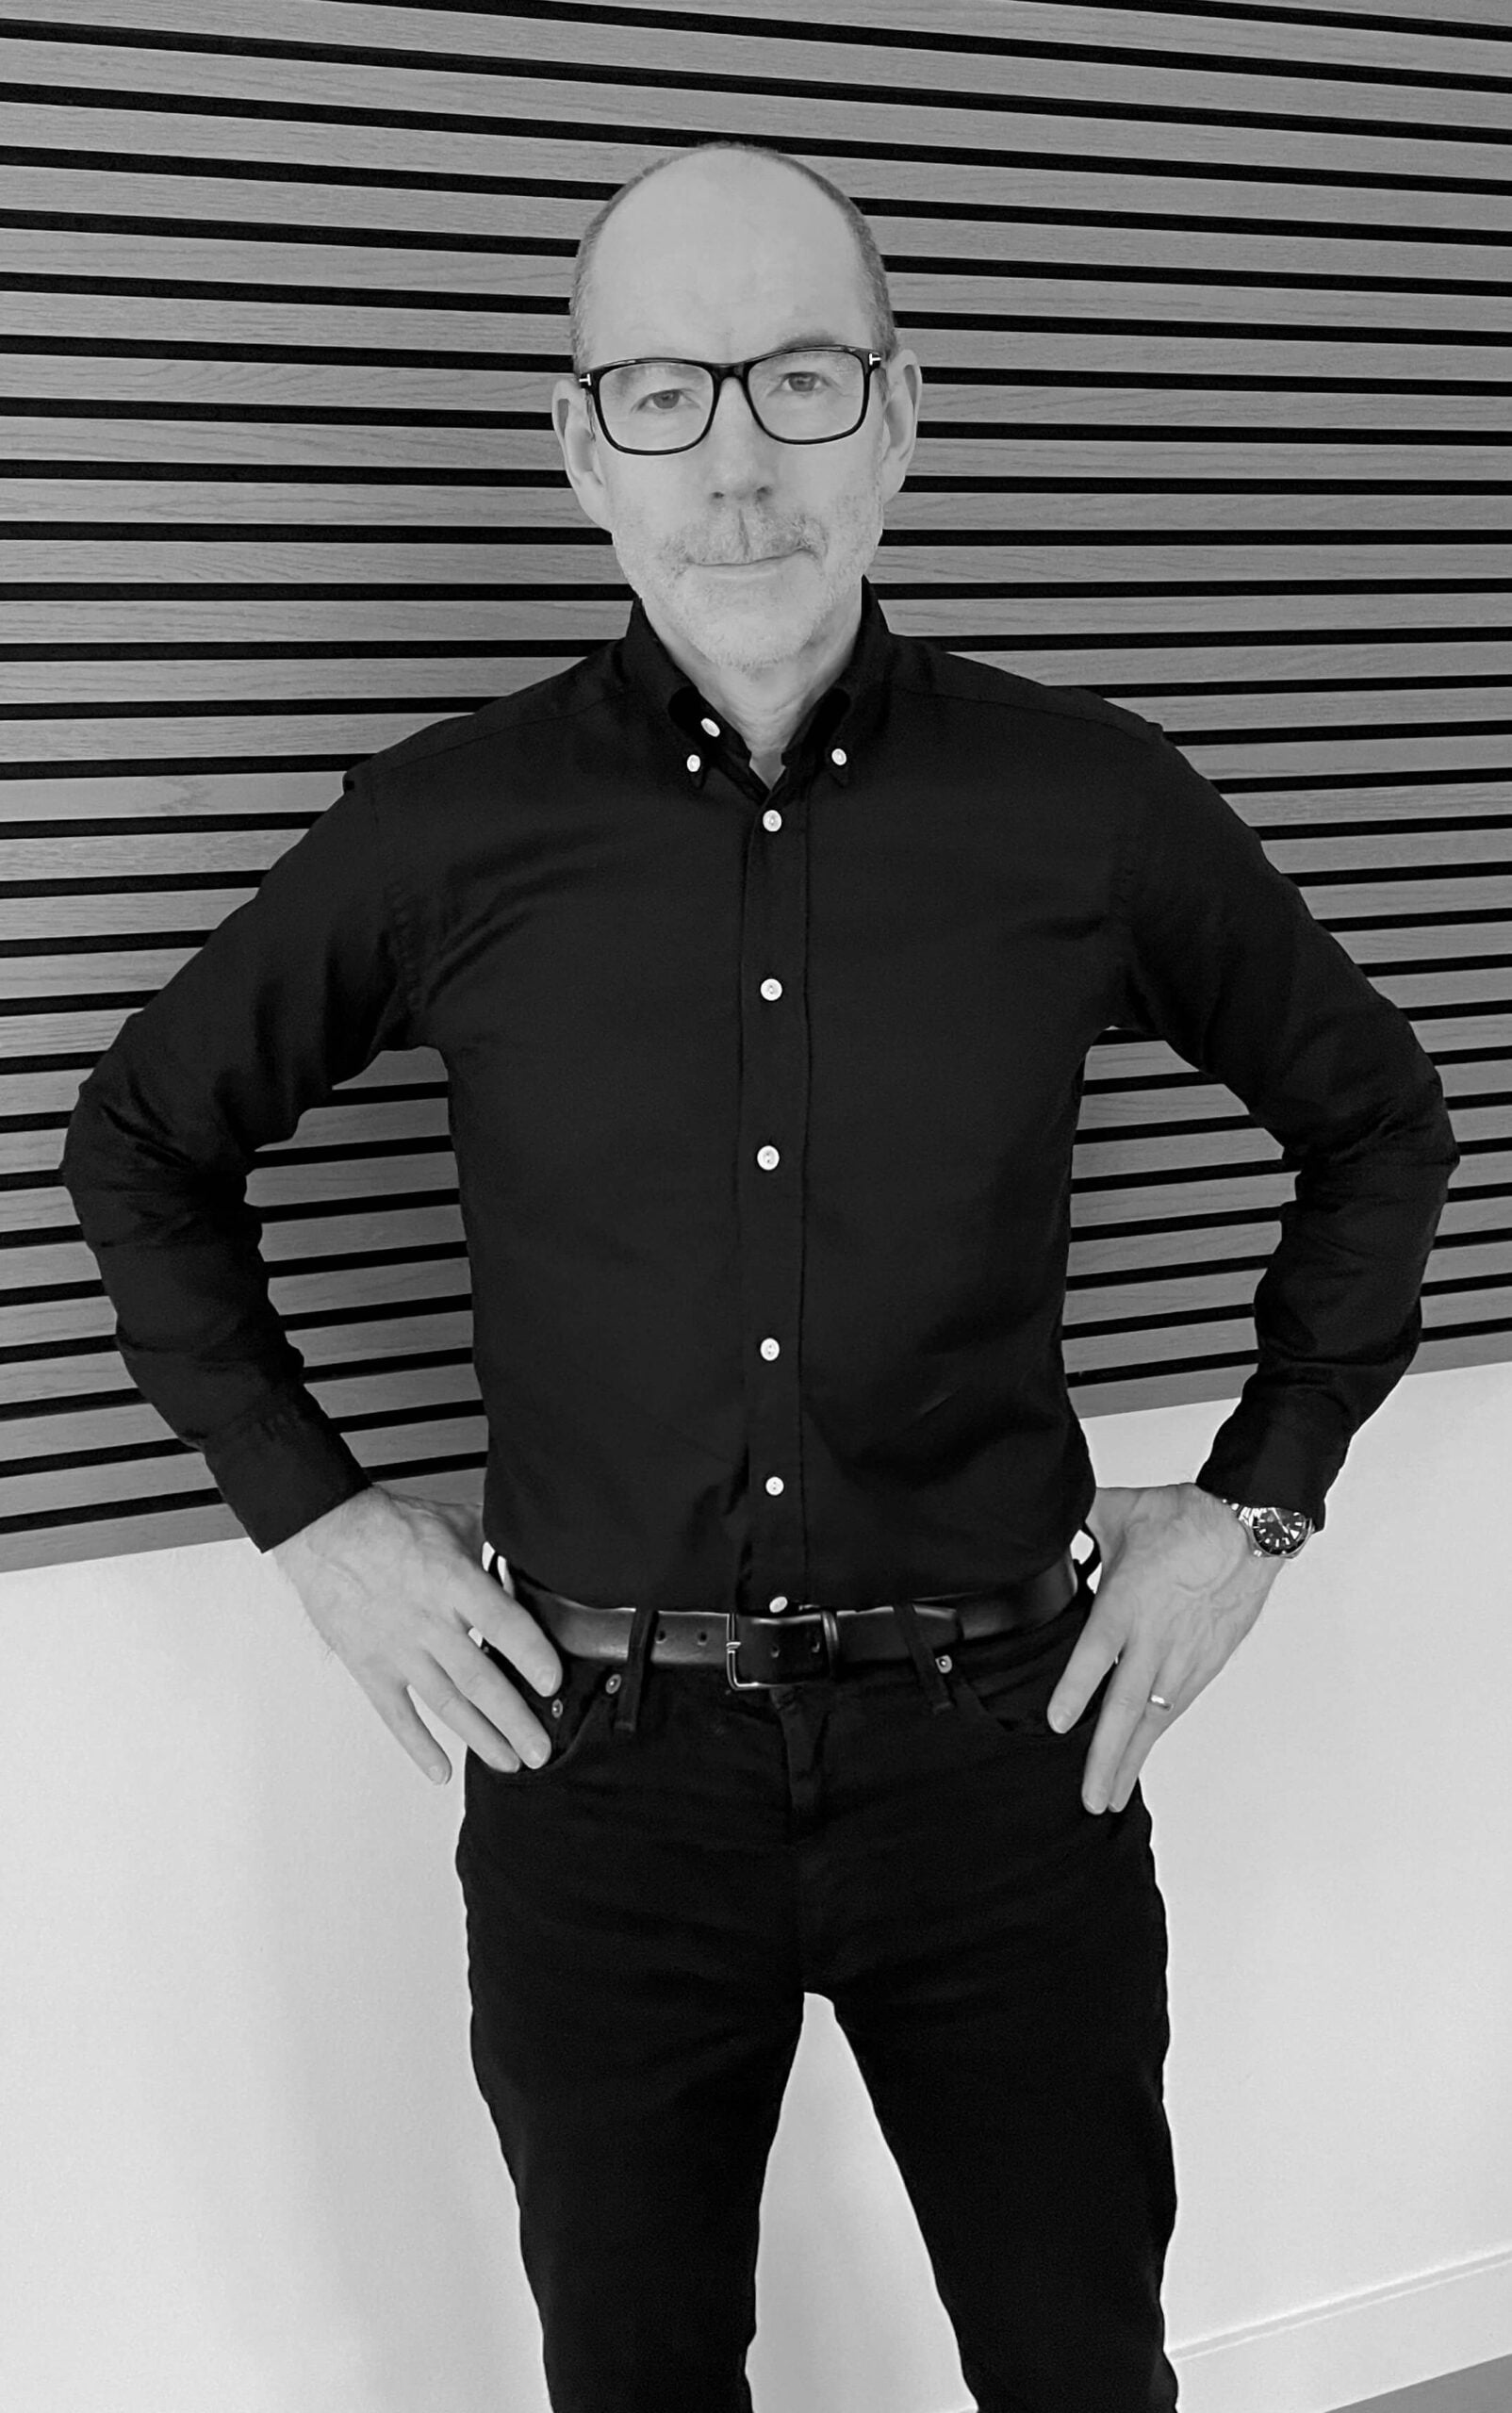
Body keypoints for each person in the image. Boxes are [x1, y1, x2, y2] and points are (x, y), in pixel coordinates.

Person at [58, 140, 1459, 2413]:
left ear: (897, 416)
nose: (736, 465)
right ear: (579, 443)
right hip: (597, 1771)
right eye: (664, 391)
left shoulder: (1087, 803)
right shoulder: (451, 825)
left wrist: (1256, 1505)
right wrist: (314, 1522)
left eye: (799, 378)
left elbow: (1377, 1120)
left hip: (1003, 1755)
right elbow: (139, 1138)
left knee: (1082, 2371)